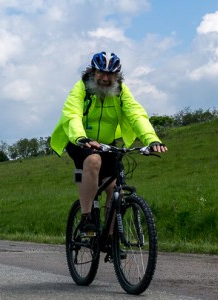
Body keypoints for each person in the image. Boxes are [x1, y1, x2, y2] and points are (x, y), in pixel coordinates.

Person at [49, 51, 167, 238]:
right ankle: (86, 217)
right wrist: (82, 138)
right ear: (93, 72)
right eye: (101, 73)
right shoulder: (82, 89)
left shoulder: (120, 91)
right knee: (93, 161)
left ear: (117, 75)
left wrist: (151, 139)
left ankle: (110, 237)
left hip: (108, 144)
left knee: (114, 188)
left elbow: (136, 114)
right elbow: (72, 114)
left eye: (110, 74)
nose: (105, 78)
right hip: (79, 141)